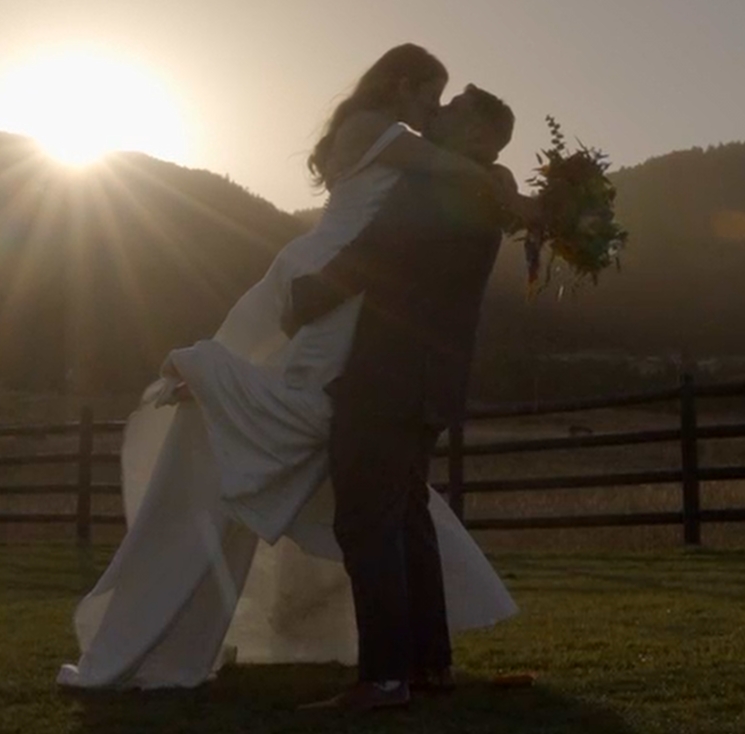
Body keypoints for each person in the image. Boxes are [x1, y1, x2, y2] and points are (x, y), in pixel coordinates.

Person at [57, 45, 524, 691]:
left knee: (372, 478)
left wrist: (492, 177)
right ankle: (405, 666)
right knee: (330, 429)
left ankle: (406, 666)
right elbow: (438, 172)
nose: (433, 111)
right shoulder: (385, 137)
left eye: (445, 104)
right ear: (401, 84)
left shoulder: (404, 158)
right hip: (329, 283)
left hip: (343, 298)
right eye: (431, 95)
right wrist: (500, 182)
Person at [289, 85, 518, 712]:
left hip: (390, 373)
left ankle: (384, 677)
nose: (433, 115)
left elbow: (374, 259)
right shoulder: (483, 191)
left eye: (451, 111)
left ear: (475, 133)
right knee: (409, 517)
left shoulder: (436, 187)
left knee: (366, 520)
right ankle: (429, 663)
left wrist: (301, 298)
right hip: (433, 378)